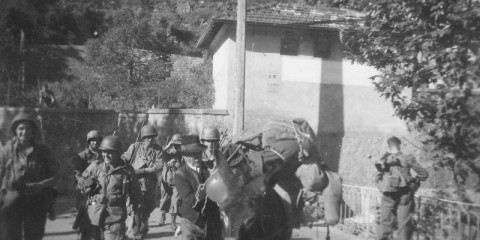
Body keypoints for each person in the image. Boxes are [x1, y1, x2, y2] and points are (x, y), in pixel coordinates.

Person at [0, 113, 57, 240]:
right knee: (9, 235)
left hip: (36, 199)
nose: (24, 132)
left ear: (33, 131)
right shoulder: (7, 151)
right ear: (15, 130)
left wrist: (40, 185)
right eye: (21, 128)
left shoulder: (43, 151)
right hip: (11, 197)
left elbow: (56, 176)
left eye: (28, 128)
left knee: (34, 235)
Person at [79, 135, 142, 240]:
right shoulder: (95, 166)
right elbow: (81, 184)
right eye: (104, 152)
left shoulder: (127, 171)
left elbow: (136, 195)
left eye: (110, 152)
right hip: (94, 215)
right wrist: (86, 185)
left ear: (118, 153)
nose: (105, 155)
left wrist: (134, 216)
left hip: (115, 217)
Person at [375, 136, 429, 240]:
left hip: (388, 194)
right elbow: (424, 174)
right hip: (405, 194)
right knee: (404, 226)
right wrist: (413, 184)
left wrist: (382, 187)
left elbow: (377, 177)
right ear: (399, 145)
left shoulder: (383, 160)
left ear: (389, 146)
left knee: (385, 224)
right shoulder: (408, 158)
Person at [174, 135, 223, 240]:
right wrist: (202, 192)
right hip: (192, 222)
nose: (197, 157)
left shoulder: (209, 168)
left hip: (211, 220)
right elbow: (188, 199)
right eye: (192, 154)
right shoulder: (180, 174)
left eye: (198, 153)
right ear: (184, 156)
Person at [122, 125, 163, 239]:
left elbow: (160, 165)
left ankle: (142, 230)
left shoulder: (158, 149)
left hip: (150, 185)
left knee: (147, 210)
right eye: (148, 137)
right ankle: (137, 233)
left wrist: (152, 168)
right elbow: (123, 160)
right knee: (137, 210)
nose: (150, 139)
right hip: (136, 185)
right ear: (143, 138)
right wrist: (144, 169)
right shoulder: (135, 147)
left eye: (152, 137)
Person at [72, 130, 103, 240]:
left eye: (97, 140)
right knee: (84, 220)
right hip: (84, 191)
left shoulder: (103, 154)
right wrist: (87, 184)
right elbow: (77, 175)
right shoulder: (81, 156)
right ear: (89, 142)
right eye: (92, 141)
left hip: (98, 191)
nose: (95, 143)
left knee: (98, 218)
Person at [158, 133, 183, 231]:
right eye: (175, 143)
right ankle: (162, 215)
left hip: (177, 181)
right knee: (164, 199)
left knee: (175, 201)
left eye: (179, 144)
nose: (177, 145)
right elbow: (161, 153)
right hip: (166, 180)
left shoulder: (182, 153)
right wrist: (169, 145)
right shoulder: (167, 152)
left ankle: (173, 222)